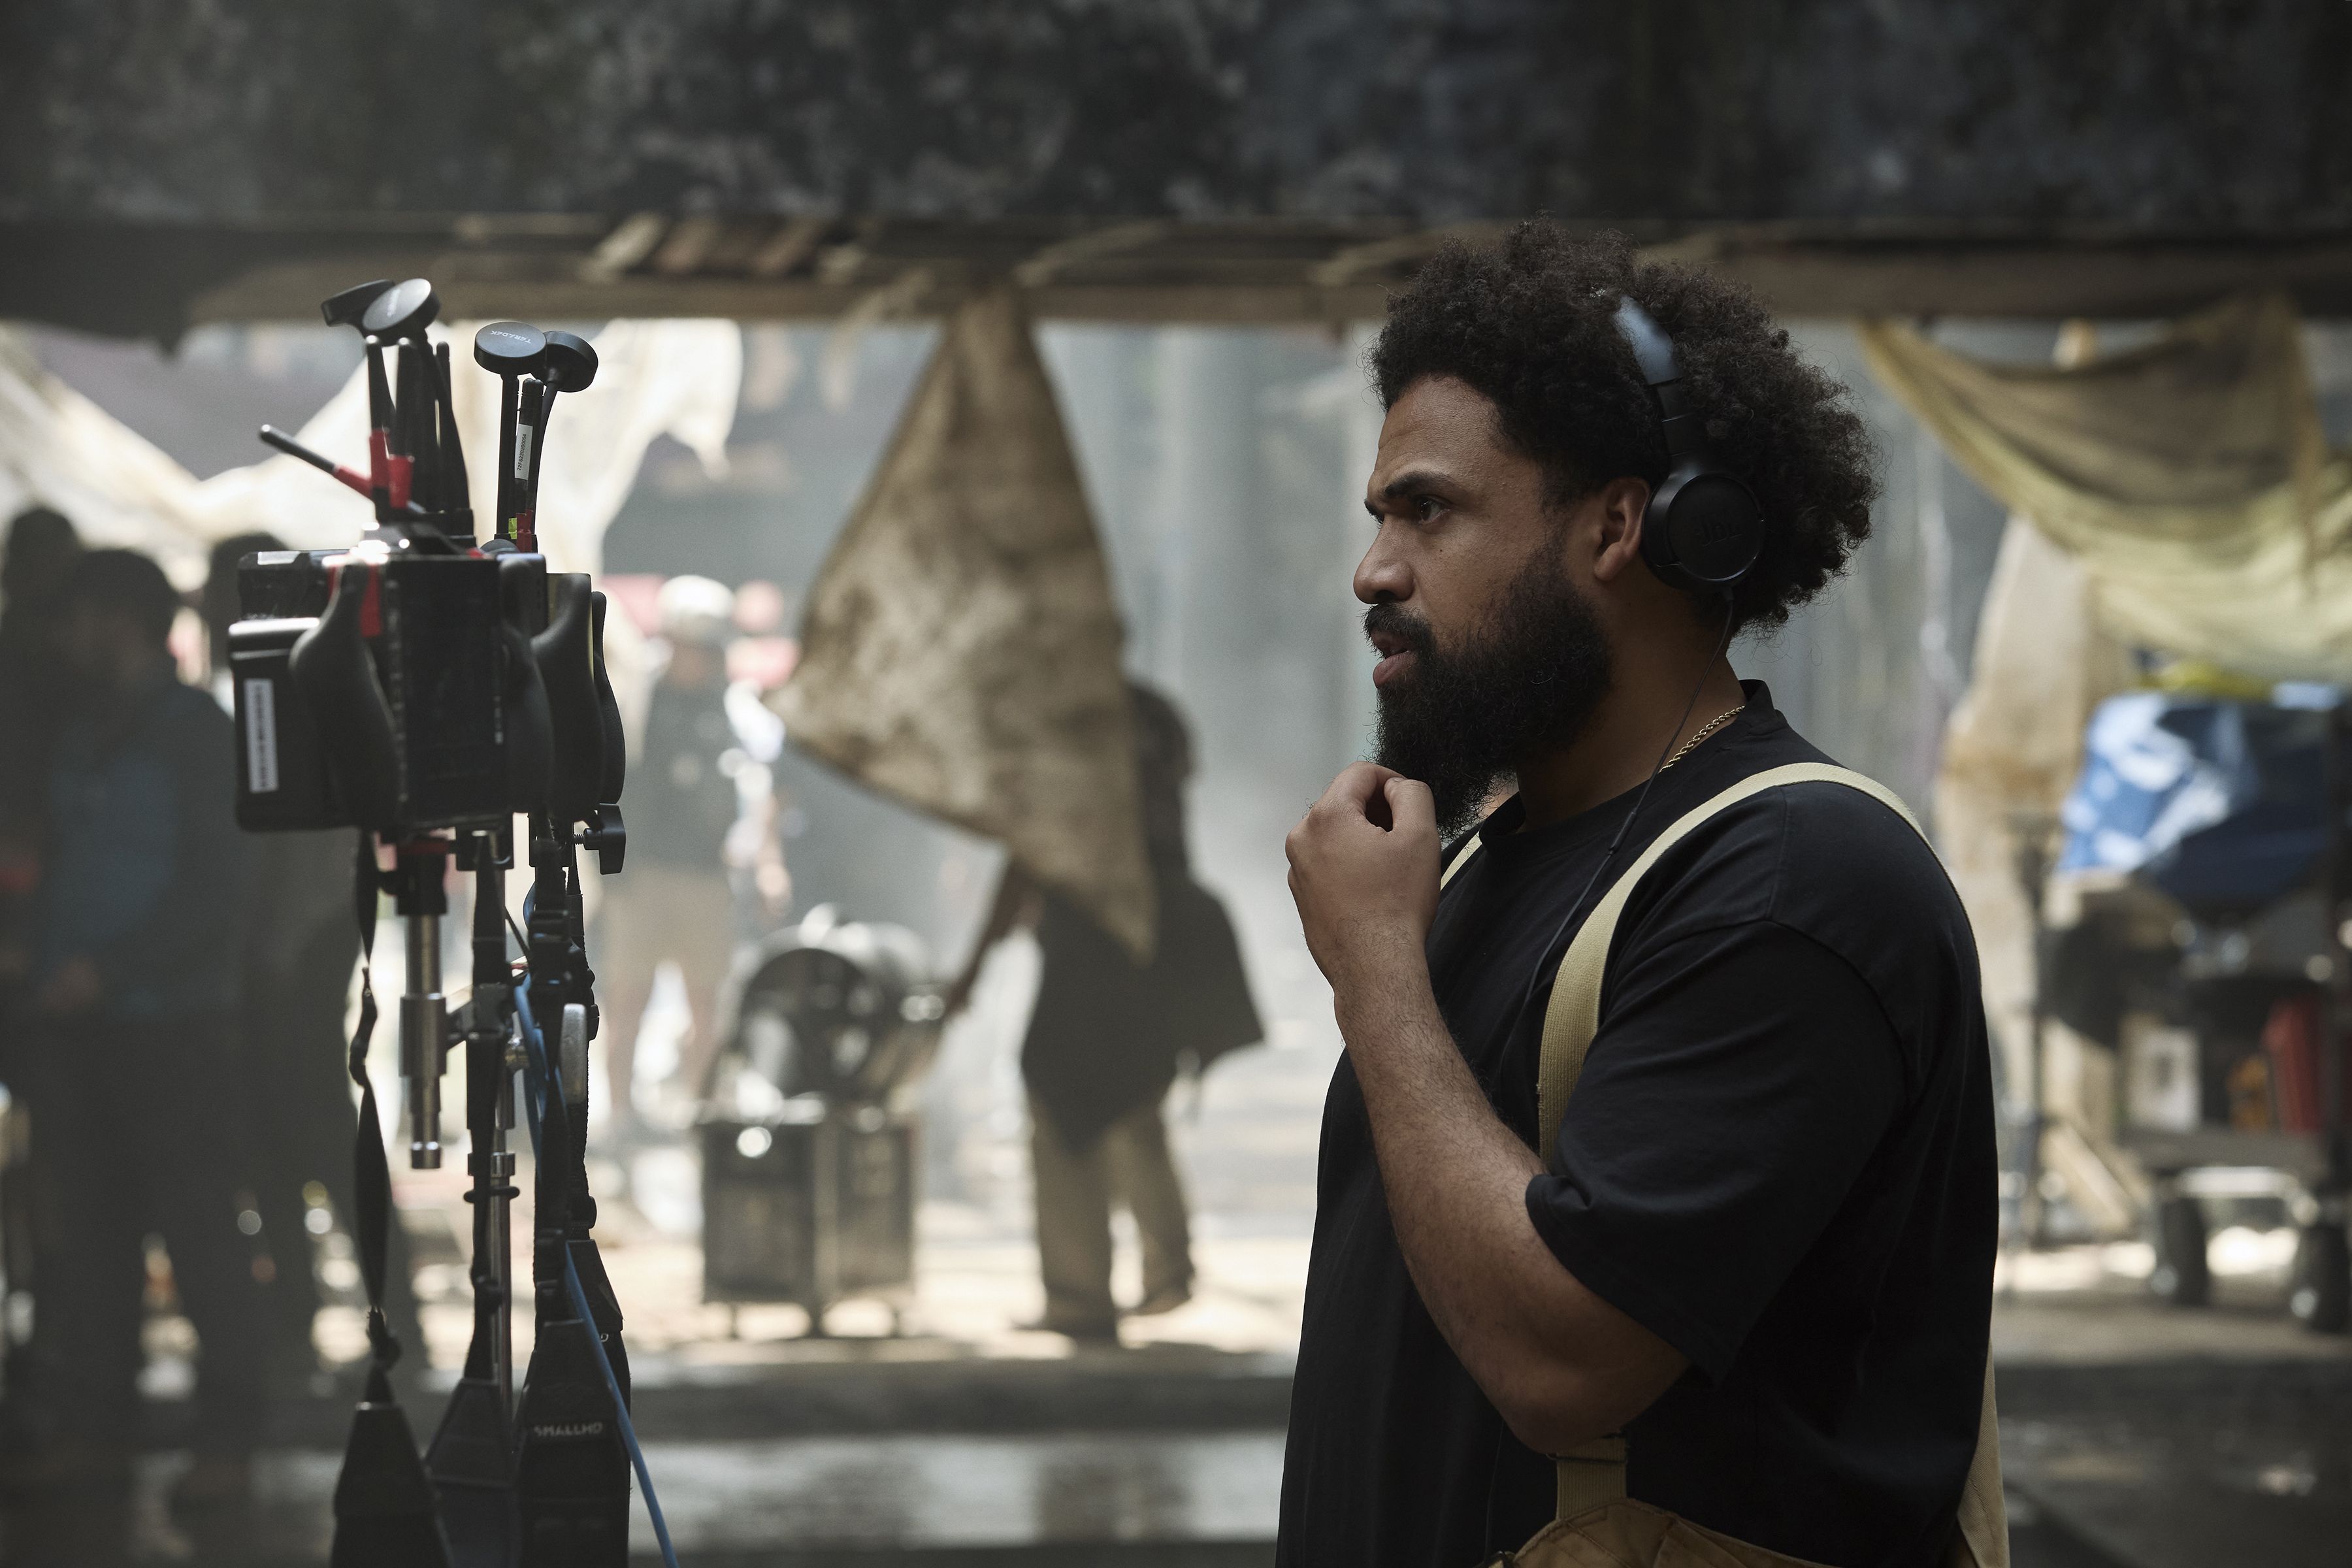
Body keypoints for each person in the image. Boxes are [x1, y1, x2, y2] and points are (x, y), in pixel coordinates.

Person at [1278, 223, 1997, 1567]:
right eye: (1379, 516)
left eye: (1428, 510)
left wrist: (1375, 973)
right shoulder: (1483, 864)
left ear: (1618, 525)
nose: (1375, 570)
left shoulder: (1793, 883)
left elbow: (1565, 1365)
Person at [14, 549, 261, 1548]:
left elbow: (216, 894)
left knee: (200, 1237)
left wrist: (110, 970)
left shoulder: (195, 734)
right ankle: (99, 1431)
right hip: (84, 1031)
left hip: (175, 1029)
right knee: (94, 1240)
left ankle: (227, 1440)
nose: (66, 639)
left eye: (78, 619)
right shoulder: (90, 733)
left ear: (116, 620)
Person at [951, 683, 1262, 1341]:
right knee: (1137, 1095)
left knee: (1061, 1104)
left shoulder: (1065, 725)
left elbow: (1028, 857)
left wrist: (973, 969)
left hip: (1093, 943)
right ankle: (1167, 1270)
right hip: (1161, 939)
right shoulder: (1154, 715)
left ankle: (1079, 1296)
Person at [199, 532, 425, 1389]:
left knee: (309, 1142)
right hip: (293, 953)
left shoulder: (285, 694)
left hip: (291, 958)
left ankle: (354, 1324)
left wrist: (276, 959)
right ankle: (340, 1323)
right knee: (290, 1145)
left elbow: (316, 856)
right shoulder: (300, 686)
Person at [599, 574, 785, 1140]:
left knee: (707, 1002)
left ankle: (699, 1114)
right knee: (627, 998)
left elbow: (760, 786)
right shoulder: (635, 699)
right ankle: (621, 1116)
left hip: (706, 878)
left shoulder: (732, 708)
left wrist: (765, 863)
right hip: (643, 877)